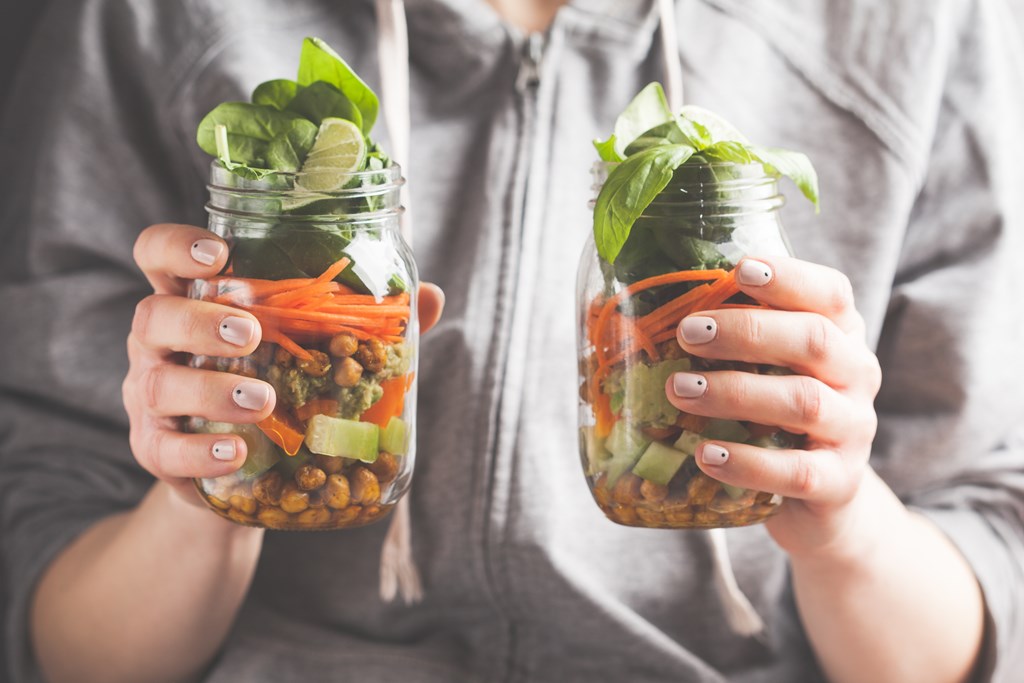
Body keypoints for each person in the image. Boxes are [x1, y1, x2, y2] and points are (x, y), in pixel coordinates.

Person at [1, 1, 1022, 682]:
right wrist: (222, 476)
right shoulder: (148, 20)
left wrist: (842, 525)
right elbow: (61, 626)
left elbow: (984, 576)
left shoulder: (916, 23)